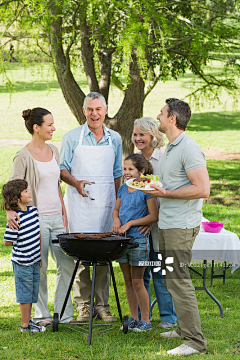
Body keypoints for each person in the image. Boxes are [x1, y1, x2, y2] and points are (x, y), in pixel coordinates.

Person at [145, 98, 209, 356]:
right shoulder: (172, 147)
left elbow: (202, 189)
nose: (158, 117)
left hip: (181, 226)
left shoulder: (188, 148)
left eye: (161, 113)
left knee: (178, 281)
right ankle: (183, 329)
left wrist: (166, 194)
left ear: (172, 119)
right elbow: (175, 182)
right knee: (171, 279)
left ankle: (194, 342)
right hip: (169, 223)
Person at [7, 107, 78, 326]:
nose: (53, 128)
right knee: (39, 267)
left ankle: (64, 315)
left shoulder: (54, 151)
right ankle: (42, 315)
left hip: (57, 217)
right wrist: (10, 209)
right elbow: (12, 188)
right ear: (36, 128)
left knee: (66, 264)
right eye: (49, 124)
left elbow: (56, 185)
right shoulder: (23, 155)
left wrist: (64, 213)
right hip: (34, 221)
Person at [60, 92, 123, 322]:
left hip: (106, 205)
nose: (94, 114)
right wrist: (75, 183)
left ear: (105, 110)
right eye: (90, 109)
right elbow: (62, 169)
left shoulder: (114, 138)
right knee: (82, 255)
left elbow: (118, 173)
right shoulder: (72, 137)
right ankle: (83, 306)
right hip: (80, 205)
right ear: (84, 111)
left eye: (98, 109)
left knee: (104, 255)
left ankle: (102, 306)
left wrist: (118, 204)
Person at [132, 117, 177, 329]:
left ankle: (168, 317)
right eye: (135, 134)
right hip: (142, 224)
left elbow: (166, 189)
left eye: (142, 134)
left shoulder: (166, 157)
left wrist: (153, 219)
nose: (138, 138)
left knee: (160, 270)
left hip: (161, 223)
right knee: (143, 270)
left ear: (154, 136)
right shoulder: (133, 161)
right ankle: (144, 317)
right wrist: (145, 219)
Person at [112, 154, 158, 331]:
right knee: (128, 281)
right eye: (124, 169)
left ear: (142, 171)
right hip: (122, 241)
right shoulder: (123, 189)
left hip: (138, 240)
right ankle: (133, 317)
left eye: (130, 169)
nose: (126, 172)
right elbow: (116, 210)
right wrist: (116, 220)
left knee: (138, 281)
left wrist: (130, 223)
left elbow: (154, 216)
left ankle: (145, 320)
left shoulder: (147, 189)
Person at [2, 179, 45, 333]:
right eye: (26, 191)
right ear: (16, 199)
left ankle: (29, 322)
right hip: (22, 263)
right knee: (25, 295)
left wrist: (38, 256)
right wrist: (22, 241)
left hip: (34, 261)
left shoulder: (33, 211)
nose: (29, 192)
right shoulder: (15, 218)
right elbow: (7, 242)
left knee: (32, 293)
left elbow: (38, 234)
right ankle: (25, 326)